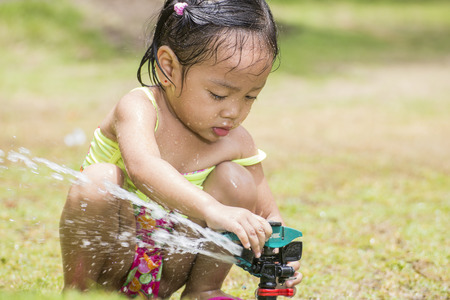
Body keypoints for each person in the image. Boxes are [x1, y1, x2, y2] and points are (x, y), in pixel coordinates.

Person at [59, 0, 302, 299]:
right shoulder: (139, 108)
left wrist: (281, 257)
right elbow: (144, 167)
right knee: (99, 180)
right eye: (218, 94)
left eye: (251, 96)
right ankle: (77, 293)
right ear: (169, 67)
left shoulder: (237, 141)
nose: (234, 112)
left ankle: (205, 290)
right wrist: (212, 209)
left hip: (172, 267)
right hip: (112, 266)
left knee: (236, 179)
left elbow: (269, 216)